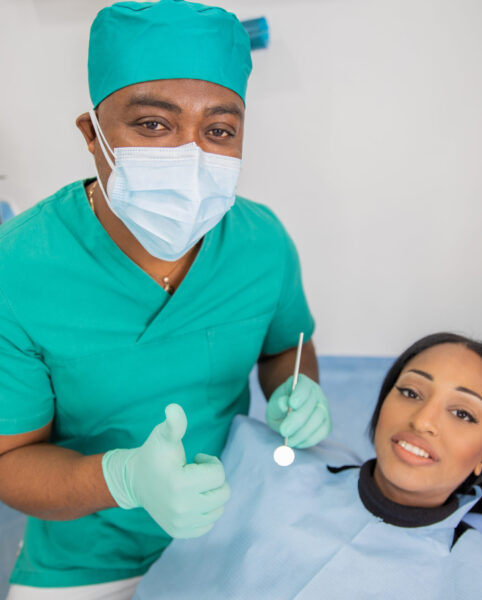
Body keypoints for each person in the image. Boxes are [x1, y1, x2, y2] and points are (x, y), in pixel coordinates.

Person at [0, 1, 331, 598]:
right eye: (154, 124)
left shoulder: (261, 242)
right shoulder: (19, 269)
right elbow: (10, 463)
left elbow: (288, 348)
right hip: (88, 554)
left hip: (238, 525)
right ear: (92, 135)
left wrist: (294, 388)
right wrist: (122, 479)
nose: (191, 154)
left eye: (219, 130)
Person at [133, 332, 482, 599]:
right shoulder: (263, 461)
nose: (423, 421)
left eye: (463, 413)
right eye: (410, 392)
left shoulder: (470, 572)